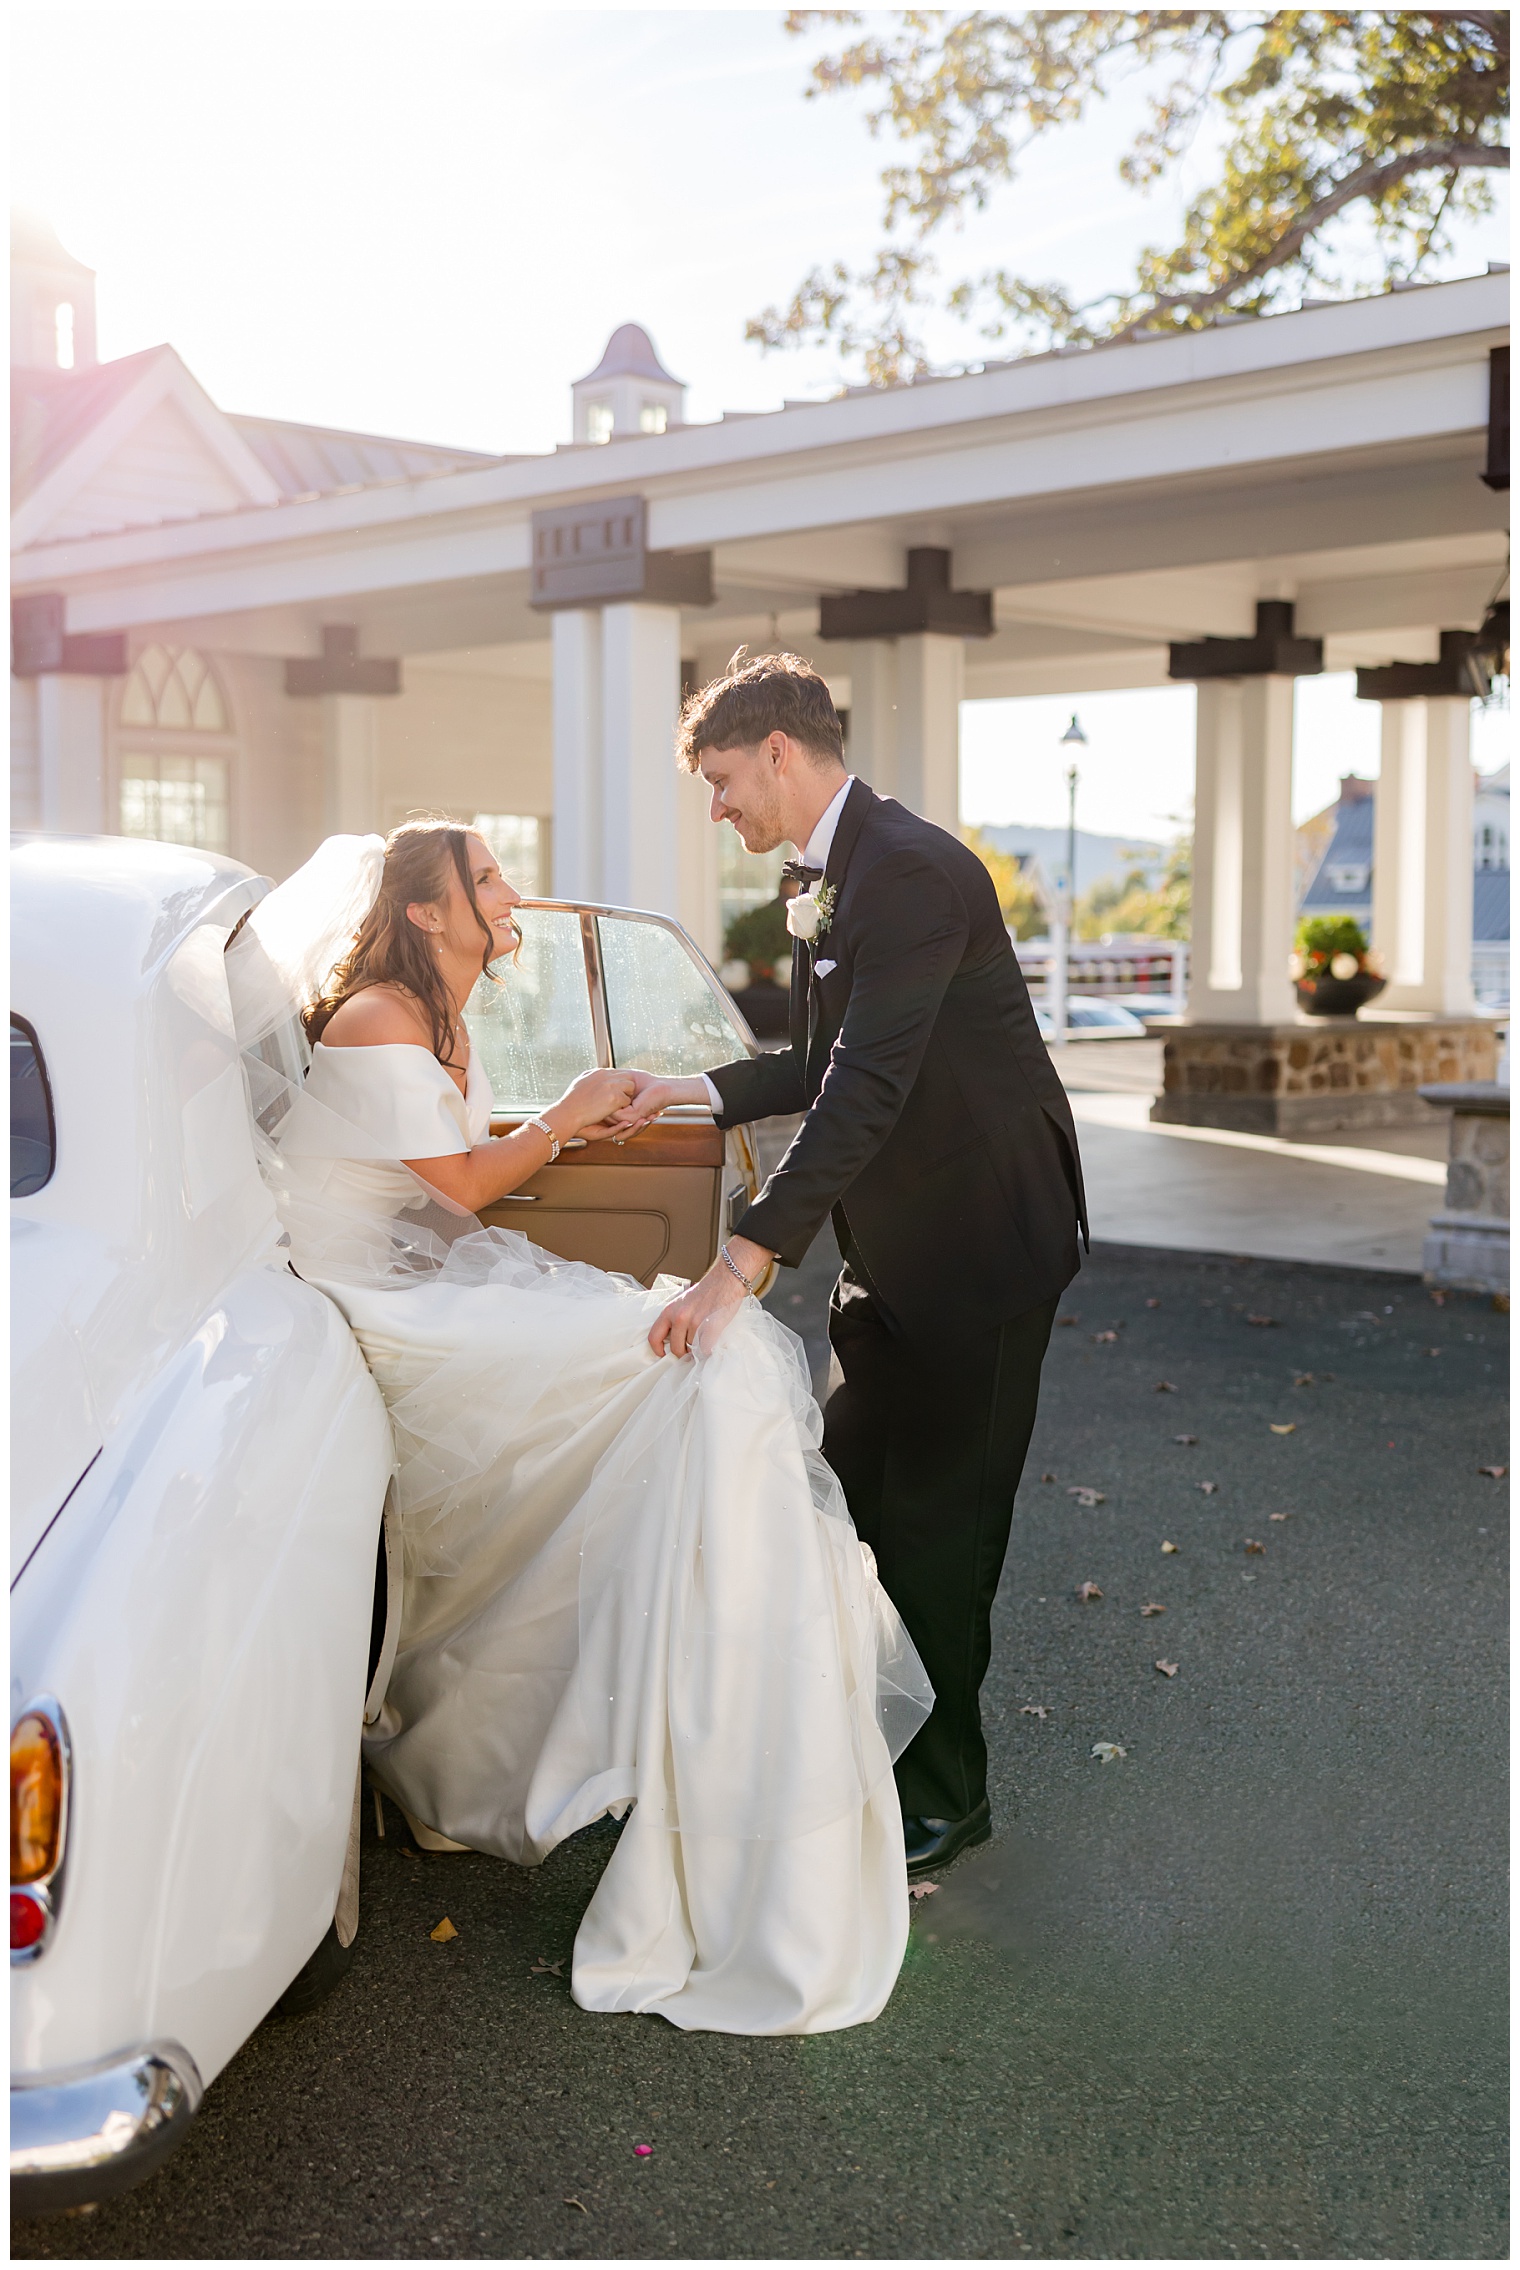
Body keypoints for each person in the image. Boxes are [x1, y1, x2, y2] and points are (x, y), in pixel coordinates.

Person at [227, 818, 931, 2037]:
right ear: (431, 910)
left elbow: (450, 1163)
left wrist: (572, 1115)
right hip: (367, 1295)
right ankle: (684, 1723)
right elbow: (459, 1186)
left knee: (712, 1375)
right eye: (487, 879)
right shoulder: (380, 1018)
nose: (509, 893)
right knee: (695, 1369)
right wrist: (562, 1117)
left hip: (422, 1276)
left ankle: (708, 1718)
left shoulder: (438, 1014)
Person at [610, 652, 1087, 1877]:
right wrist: (690, 1091)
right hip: (891, 1252)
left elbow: (865, 1085)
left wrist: (747, 1253)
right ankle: (871, 1753)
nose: (717, 810)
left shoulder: (914, 871)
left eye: (720, 782)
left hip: (980, 1253)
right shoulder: (827, 876)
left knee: (937, 1534)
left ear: (778, 751)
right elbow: (820, 1060)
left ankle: (945, 1799)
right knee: (857, 1513)